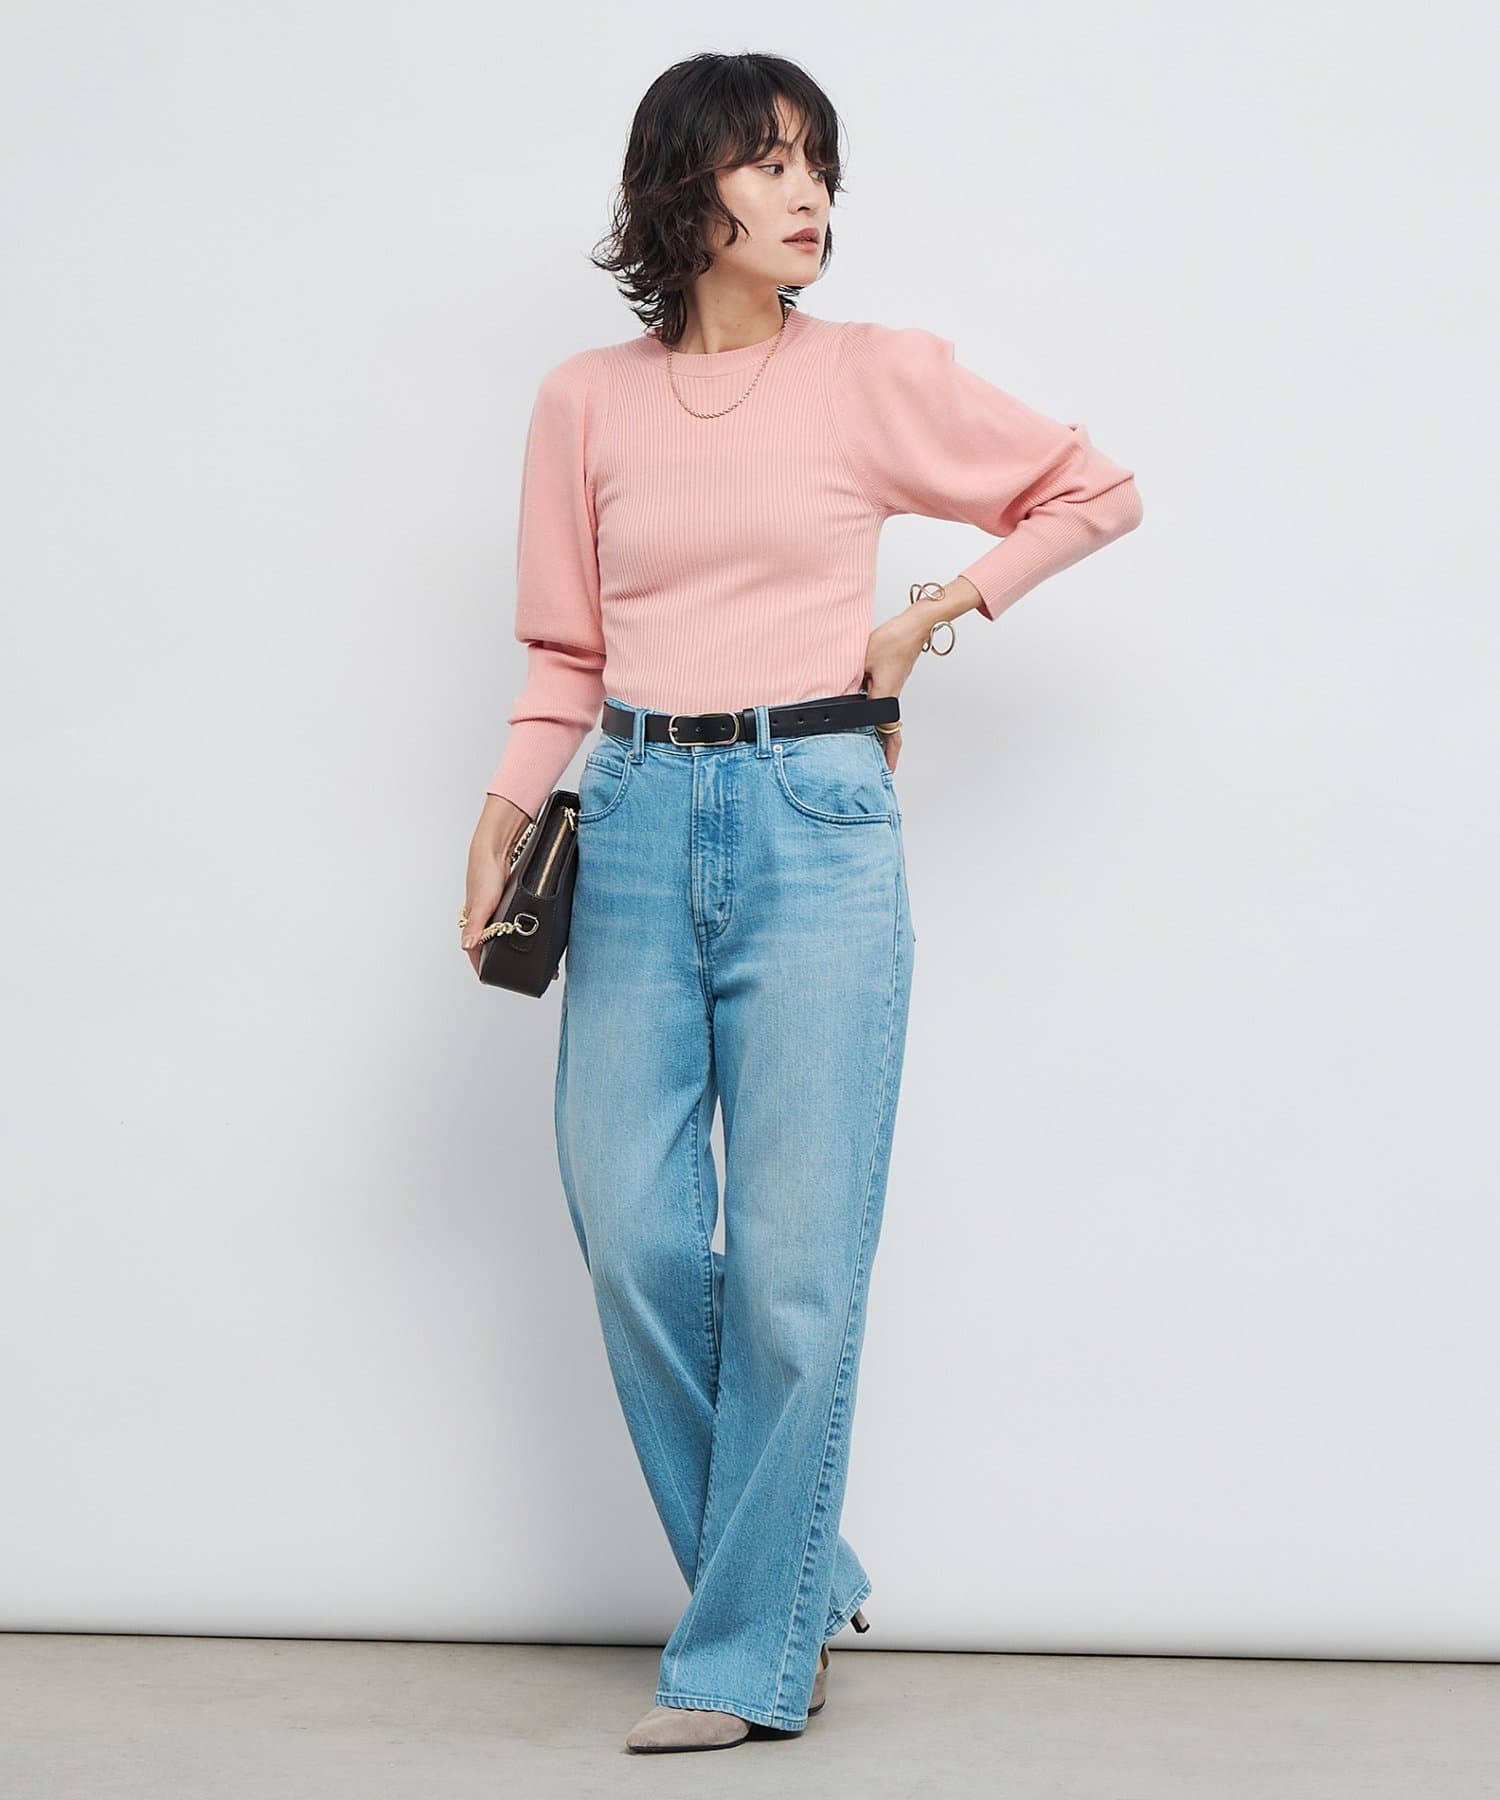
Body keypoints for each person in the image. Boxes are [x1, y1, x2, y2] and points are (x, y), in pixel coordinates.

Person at [460, 52, 1143, 1754]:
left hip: (815, 816)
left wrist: (927, 617)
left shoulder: (870, 375)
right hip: (629, 811)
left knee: (791, 1269)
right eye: (768, 163)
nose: (808, 194)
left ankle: (740, 1661)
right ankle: (794, 1571)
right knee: (631, 1231)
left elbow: (1092, 487)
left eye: (819, 163)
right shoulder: (583, 402)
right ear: (679, 188)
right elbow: (564, 650)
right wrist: (502, 810)